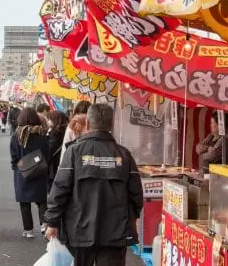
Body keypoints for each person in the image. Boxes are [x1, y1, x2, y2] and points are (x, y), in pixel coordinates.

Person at [45, 104, 143, 266]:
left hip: (79, 229)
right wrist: (133, 217)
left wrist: (52, 222)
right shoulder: (124, 155)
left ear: (88, 124)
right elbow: (136, 195)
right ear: (111, 124)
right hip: (115, 232)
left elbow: (60, 189)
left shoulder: (74, 152)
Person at [10, 108, 50, 238]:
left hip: (22, 173)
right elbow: (47, 155)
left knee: (24, 203)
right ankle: (44, 224)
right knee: (41, 201)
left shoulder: (17, 136)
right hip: (39, 172)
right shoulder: (42, 135)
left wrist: (16, 166)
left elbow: (14, 156)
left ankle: (28, 230)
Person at [46, 110, 69, 191]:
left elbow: (49, 150)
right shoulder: (67, 131)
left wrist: (47, 135)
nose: (48, 121)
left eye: (50, 119)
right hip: (65, 164)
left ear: (56, 120)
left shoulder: (54, 133)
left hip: (54, 166)